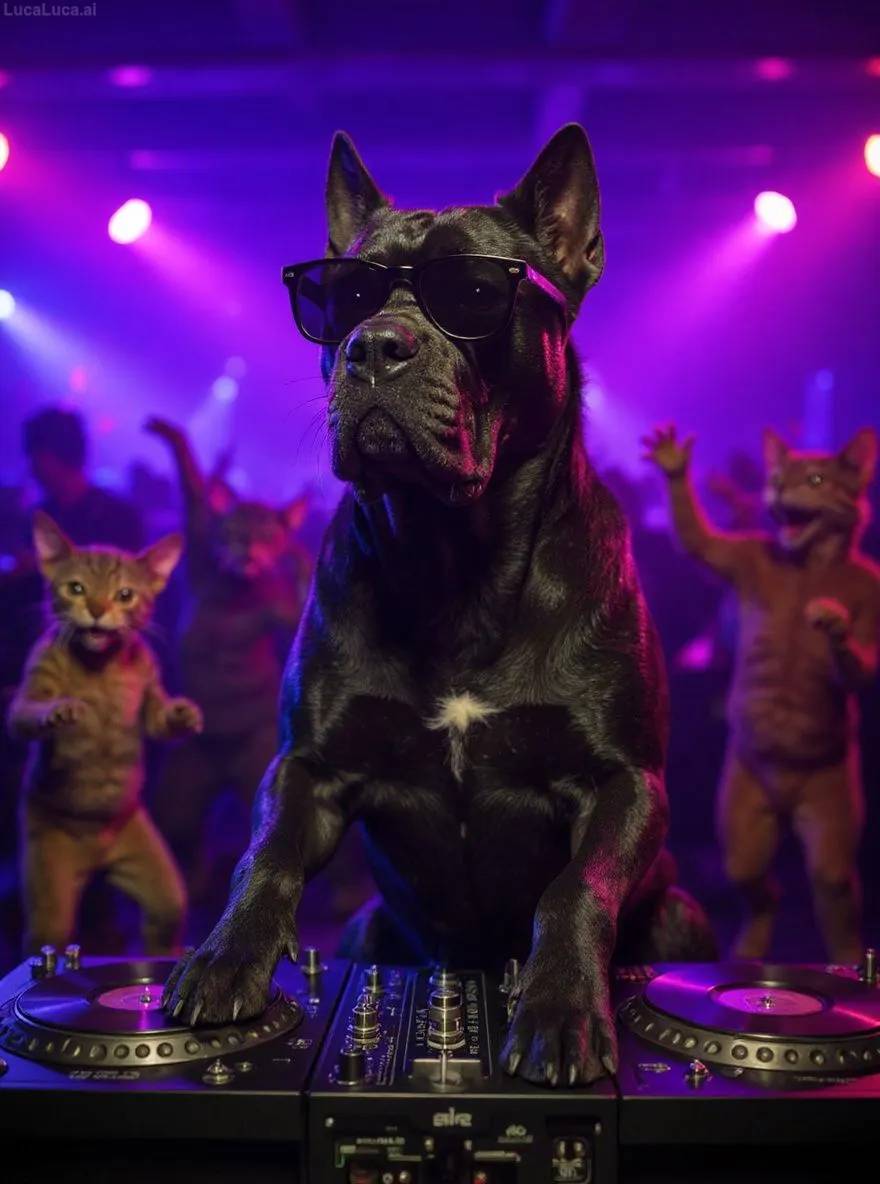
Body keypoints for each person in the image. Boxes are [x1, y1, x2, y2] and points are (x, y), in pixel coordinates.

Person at [23, 407, 144, 551]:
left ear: (57, 456)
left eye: (37, 457)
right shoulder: (39, 518)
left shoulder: (119, 519)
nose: (32, 469)